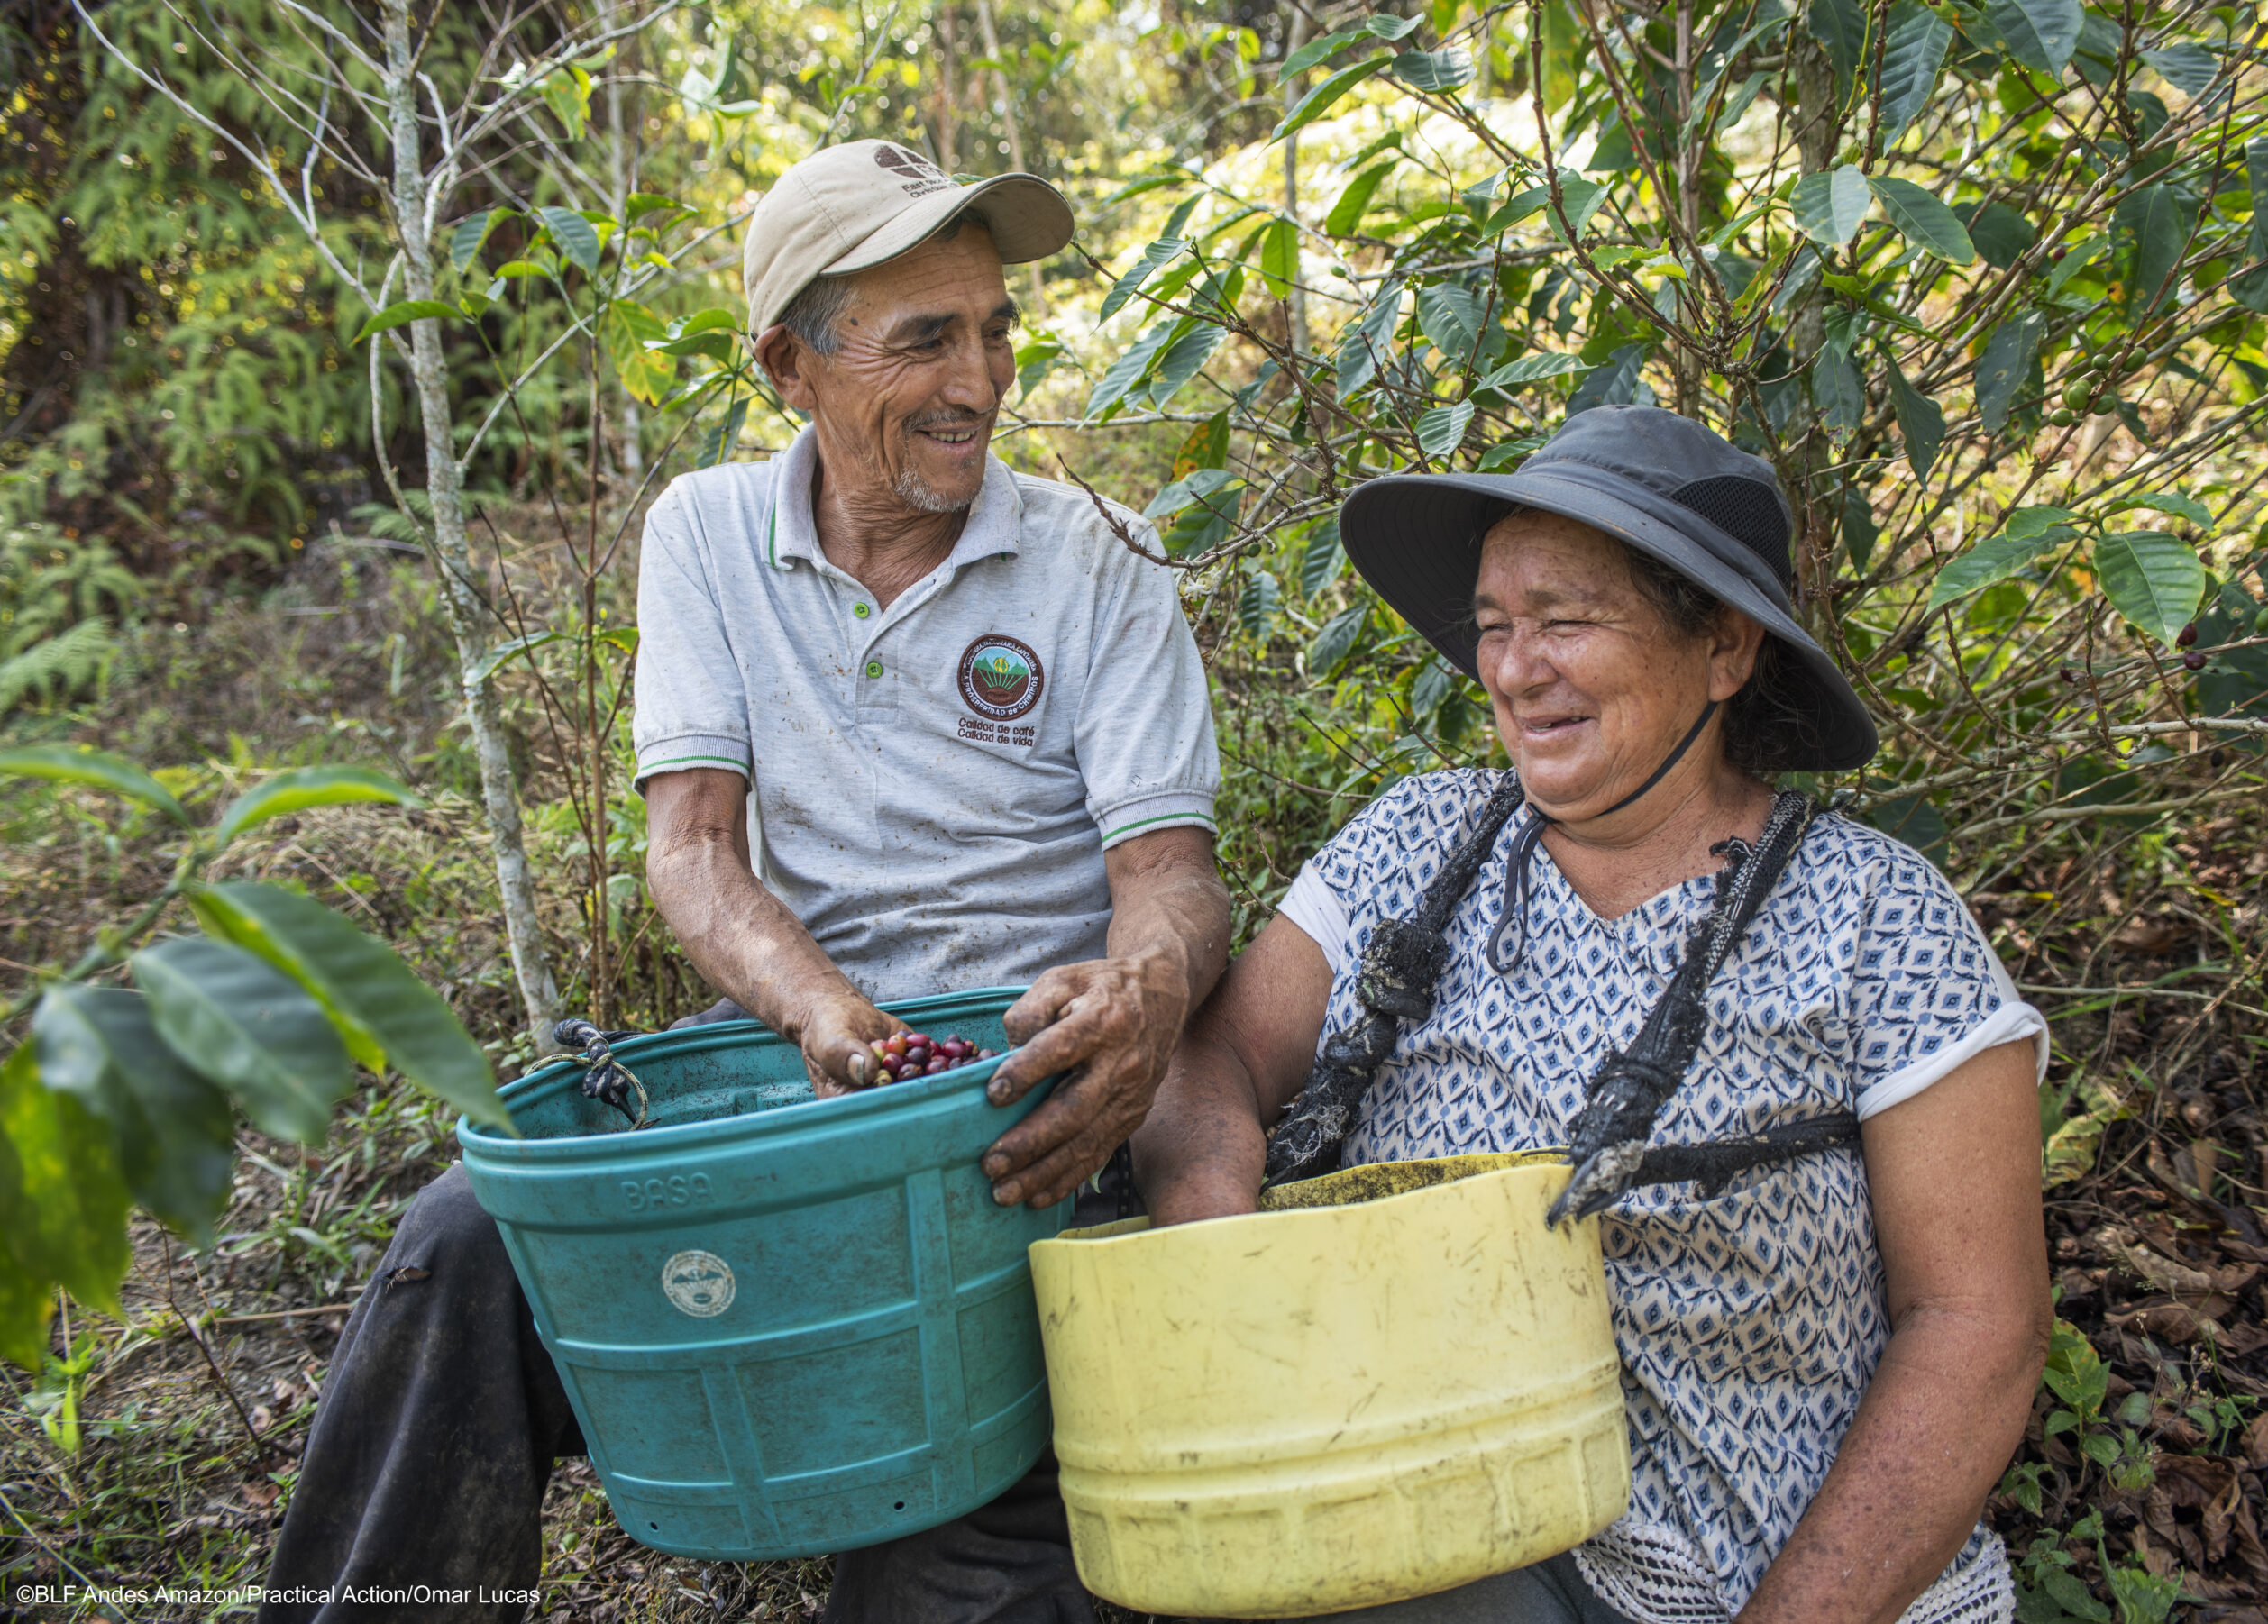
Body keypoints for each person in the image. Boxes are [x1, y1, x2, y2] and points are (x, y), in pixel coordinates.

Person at [264, 140, 1232, 1624]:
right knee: (466, 1239)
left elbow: (1170, 877)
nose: (978, 379)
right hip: (816, 1088)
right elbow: (693, 848)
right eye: (924, 339)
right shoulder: (706, 534)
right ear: (788, 364)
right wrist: (825, 1014)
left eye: (993, 329)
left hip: (1017, 1117)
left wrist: (1140, 995)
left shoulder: (1099, 558)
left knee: (951, 1539)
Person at [1131, 406, 2051, 1624]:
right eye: (1498, 627)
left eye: (1566, 621)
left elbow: (1979, 1324)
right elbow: (1221, 1058)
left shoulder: (1877, 919)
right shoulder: (1411, 846)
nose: (1513, 669)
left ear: (1724, 650)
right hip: (1416, 1508)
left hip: (1748, 1565)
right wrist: (1210, 1212)